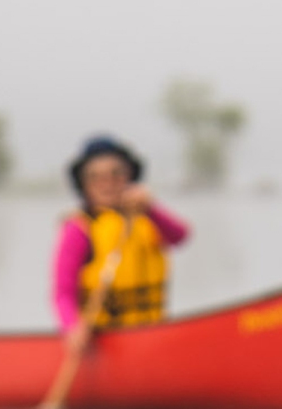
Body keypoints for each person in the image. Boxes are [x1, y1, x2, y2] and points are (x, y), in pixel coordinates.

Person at [53, 136, 191, 356]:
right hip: (104, 340)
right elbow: (63, 292)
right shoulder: (79, 228)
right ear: (83, 184)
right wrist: (72, 327)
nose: (107, 183)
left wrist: (151, 209)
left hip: (152, 335)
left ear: (130, 178)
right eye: (95, 177)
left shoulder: (148, 218)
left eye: (116, 174)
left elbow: (181, 237)